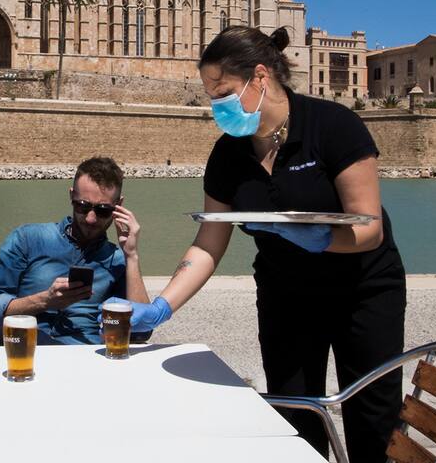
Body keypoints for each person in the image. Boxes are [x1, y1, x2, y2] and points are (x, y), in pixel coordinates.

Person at [120, 26, 406, 462]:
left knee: (371, 415)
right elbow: (208, 244)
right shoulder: (227, 155)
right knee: (294, 414)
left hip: (363, 290)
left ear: (259, 77)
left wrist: (318, 237)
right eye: (210, 95)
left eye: (224, 91)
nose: (217, 105)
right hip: (286, 295)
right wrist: (163, 306)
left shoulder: (333, 126)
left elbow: (370, 229)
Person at [0, 156, 151, 345]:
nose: (91, 218)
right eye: (83, 206)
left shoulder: (117, 260)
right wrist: (44, 301)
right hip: (26, 349)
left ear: (119, 207)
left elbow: (142, 332)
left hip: (83, 359)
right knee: (0, 329)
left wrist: (131, 255)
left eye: (102, 210)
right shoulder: (28, 239)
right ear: (71, 196)